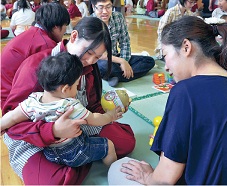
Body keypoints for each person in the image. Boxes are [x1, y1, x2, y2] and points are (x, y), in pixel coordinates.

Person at [108, 16, 227, 185]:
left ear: (186, 47)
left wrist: (147, 177)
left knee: (119, 167)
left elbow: (164, 180)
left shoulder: (185, 92)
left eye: (165, 55)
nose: (166, 67)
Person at [2, 16, 135, 185]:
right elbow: (13, 123)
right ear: (73, 36)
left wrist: (111, 108)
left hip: (79, 127)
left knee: (125, 142)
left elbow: (92, 106)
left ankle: (75, 160)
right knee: (50, 182)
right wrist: (53, 131)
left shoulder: (88, 66)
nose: (90, 61)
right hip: (36, 136)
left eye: (97, 57)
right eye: (89, 52)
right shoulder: (37, 66)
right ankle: (77, 160)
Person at [1, 52, 123, 167]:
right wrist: (110, 116)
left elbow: (12, 117)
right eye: (76, 86)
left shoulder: (32, 101)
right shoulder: (70, 105)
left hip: (49, 153)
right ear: (65, 89)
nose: (77, 88)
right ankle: (114, 172)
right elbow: (95, 119)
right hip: (74, 151)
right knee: (108, 145)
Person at [1, 3, 70, 109]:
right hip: (12, 100)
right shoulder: (46, 44)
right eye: (66, 26)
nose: (65, 31)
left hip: (5, 90)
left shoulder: (34, 33)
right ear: (56, 27)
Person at [91, 0, 155, 87]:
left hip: (115, 57)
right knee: (102, 66)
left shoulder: (118, 17)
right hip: (100, 61)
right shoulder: (90, 23)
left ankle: (114, 76)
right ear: (93, 7)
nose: (105, 11)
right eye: (101, 7)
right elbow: (101, 55)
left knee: (149, 61)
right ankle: (118, 75)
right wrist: (122, 61)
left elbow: (125, 42)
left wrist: (125, 61)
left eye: (108, 7)